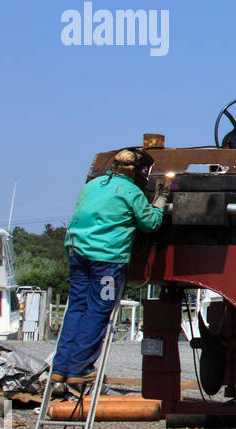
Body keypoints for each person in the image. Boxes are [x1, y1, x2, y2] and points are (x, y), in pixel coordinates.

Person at [50, 149, 169, 385]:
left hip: (77, 255)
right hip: (107, 261)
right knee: (98, 309)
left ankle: (60, 367)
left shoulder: (91, 186)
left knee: (76, 308)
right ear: (137, 172)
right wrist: (161, 200)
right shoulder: (131, 192)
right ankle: (80, 368)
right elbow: (150, 223)